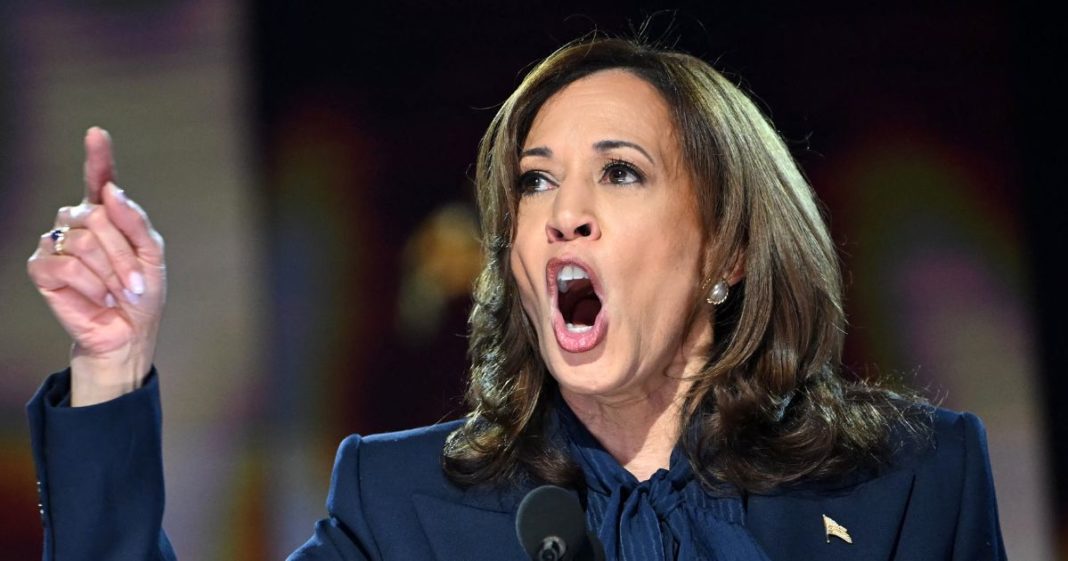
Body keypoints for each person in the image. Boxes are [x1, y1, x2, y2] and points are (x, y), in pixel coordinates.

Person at [26, 37, 1005, 561]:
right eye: (536, 182)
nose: (562, 215)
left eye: (619, 173)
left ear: (729, 248)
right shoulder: (407, 510)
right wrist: (112, 364)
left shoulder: (909, 484)